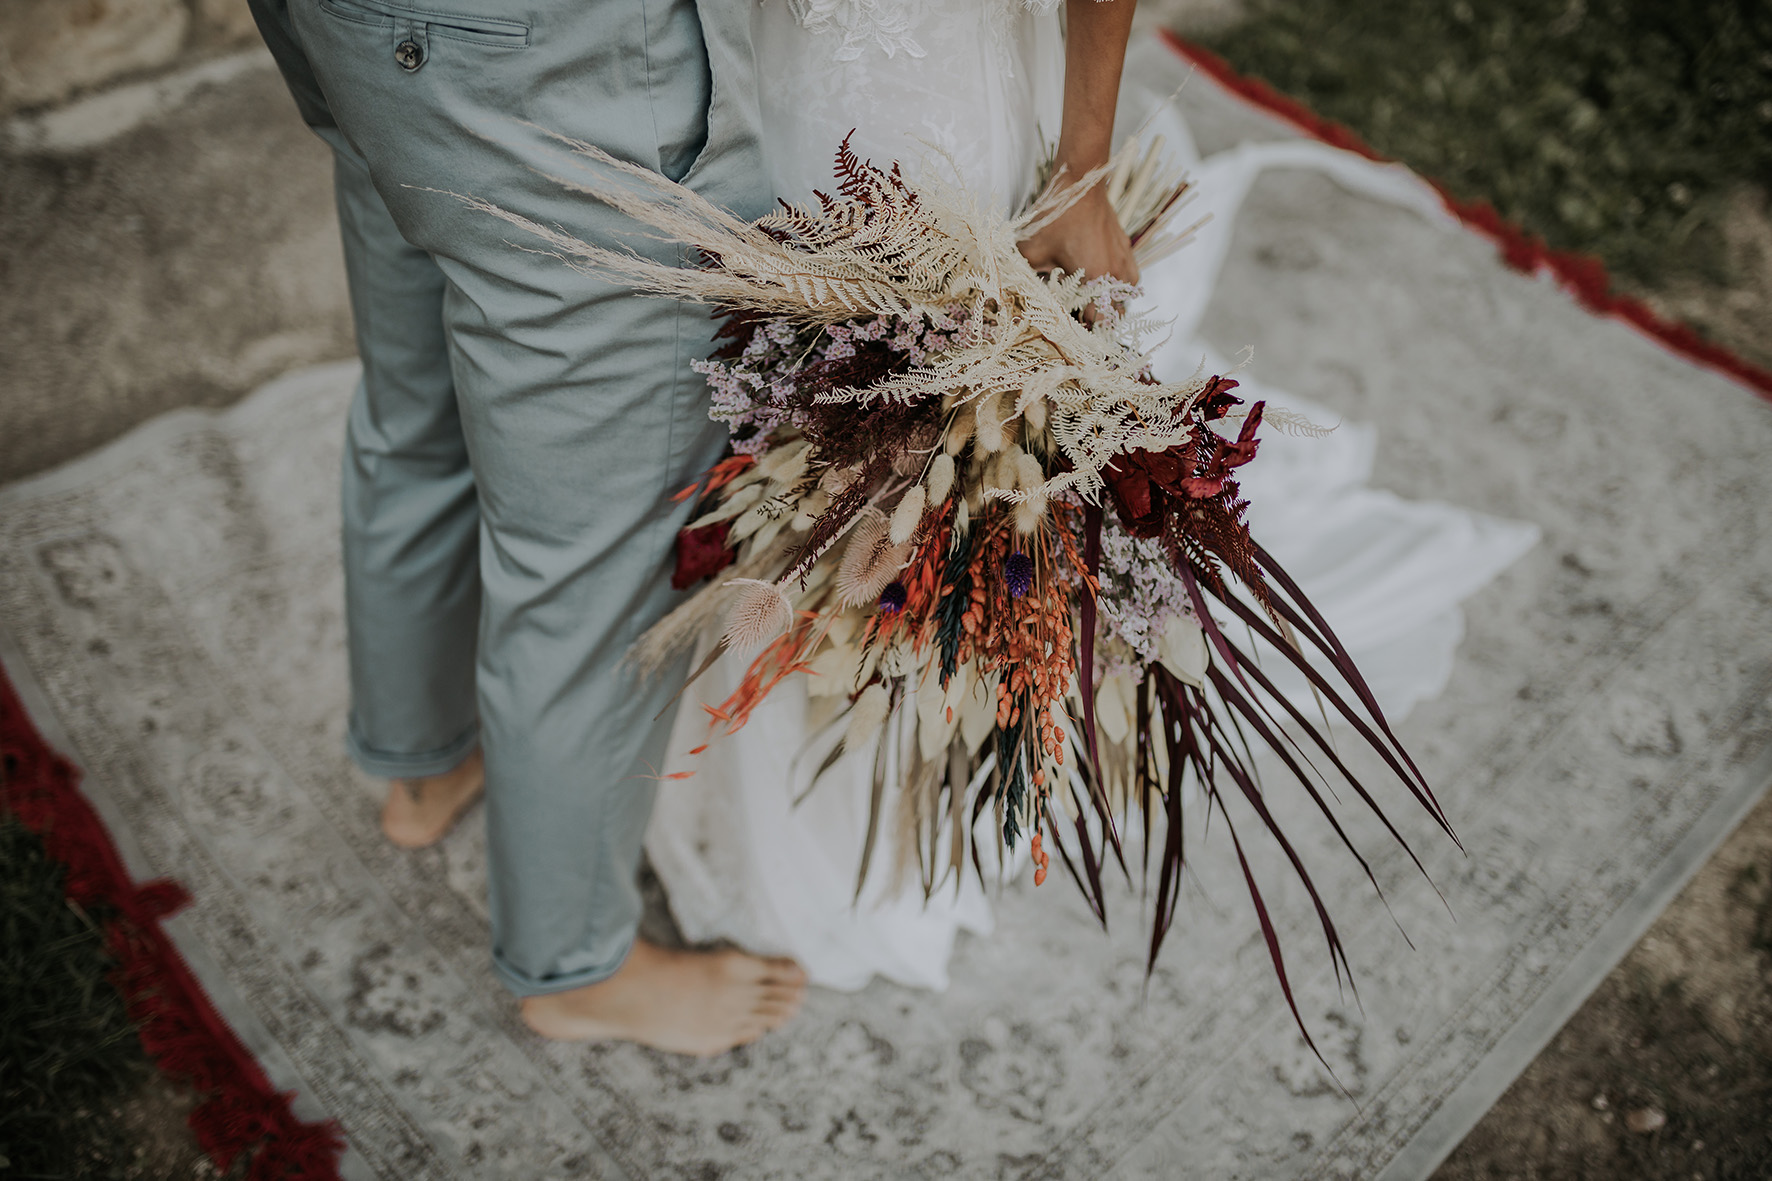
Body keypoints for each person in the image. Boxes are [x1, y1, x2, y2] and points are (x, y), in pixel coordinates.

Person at [644, 0, 1539, 992]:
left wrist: (1082, 167)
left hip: (934, 113)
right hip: (755, 97)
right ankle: (772, 739)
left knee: (908, 455)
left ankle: (870, 773)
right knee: (799, 422)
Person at [245, 0, 809, 1056]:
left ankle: (424, 763)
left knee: (419, 405)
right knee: (598, 553)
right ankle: (572, 966)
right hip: (553, 47)